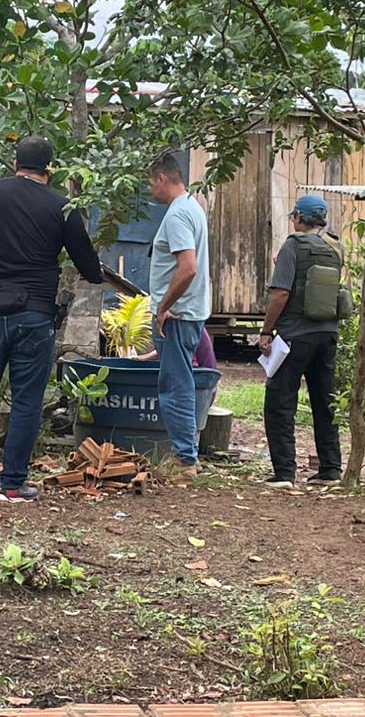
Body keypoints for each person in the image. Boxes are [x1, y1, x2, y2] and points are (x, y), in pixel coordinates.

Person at [0, 136, 103, 503]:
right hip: (34, 315)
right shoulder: (62, 206)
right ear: (50, 169)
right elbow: (88, 264)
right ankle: (13, 485)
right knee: (27, 400)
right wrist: (91, 275)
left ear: (16, 163)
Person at [259, 194, 345, 489]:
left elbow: (280, 293)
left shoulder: (292, 246)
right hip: (328, 334)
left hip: (295, 335)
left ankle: (284, 473)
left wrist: (266, 331)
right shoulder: (336, 247)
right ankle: (331, 469)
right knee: (325, 401)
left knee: (280, 402)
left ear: (298, 217)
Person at [146, 152, 211, 483]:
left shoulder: (177, 216)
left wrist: (162, 306)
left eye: (149, 182)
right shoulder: (192, 208)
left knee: (175, 386)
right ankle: (188, 456)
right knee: (180, 381)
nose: (149, 189)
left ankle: (184, 460)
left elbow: (188, 267)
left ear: (161, 178)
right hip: (188, 312)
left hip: (176, 315)